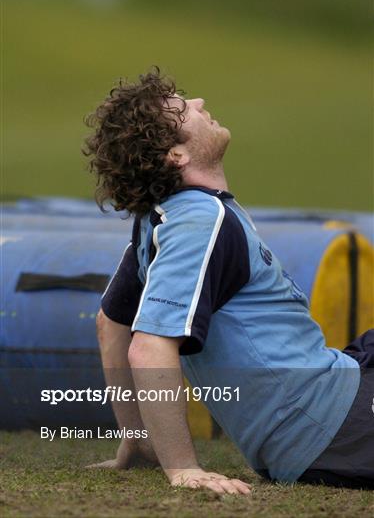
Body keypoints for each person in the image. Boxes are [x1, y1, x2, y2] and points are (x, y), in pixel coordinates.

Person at [83, 67, 374, 494]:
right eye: (184, 110)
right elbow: (147, 347)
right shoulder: (200, 221)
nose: (199, 103)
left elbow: (112, 324)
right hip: (328, 426)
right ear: (176, 155)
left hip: (336, 384)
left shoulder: (164, 219)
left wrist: (138, 435)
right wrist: (182, 468)